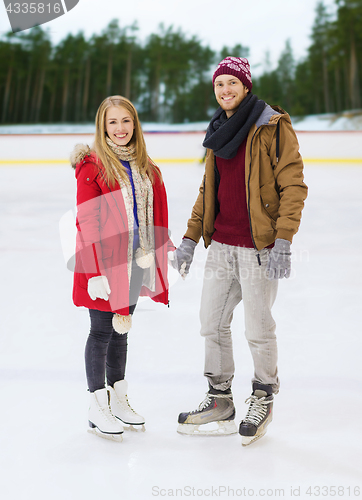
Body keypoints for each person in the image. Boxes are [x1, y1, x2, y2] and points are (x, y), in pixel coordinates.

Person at [172, 57, 308, 445]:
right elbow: (208, 193)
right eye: (219, 85)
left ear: (246, 86)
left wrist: (283, 240)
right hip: (222, 246)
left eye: (233, 83)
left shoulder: (272, 127)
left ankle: (263, 395)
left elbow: (294, 187)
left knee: (258, 328)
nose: (226, 90)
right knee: (210, 323)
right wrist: (189, 239)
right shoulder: (219, 131)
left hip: (258, 248)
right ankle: (220, 399)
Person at [70, 95, 173, 441]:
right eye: (112, 122)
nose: (120, 129)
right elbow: (87, 221)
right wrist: (95, 272)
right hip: (103, 266)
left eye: (125, 121)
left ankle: (118, 399)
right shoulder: (93, 166)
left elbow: (156, 215)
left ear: (135, 124)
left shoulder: (145, 166)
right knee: (100, 332)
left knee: (121, 332)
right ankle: (96, 403)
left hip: (134, 263)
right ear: (103, 126)